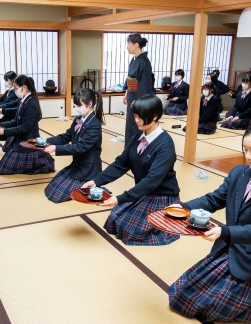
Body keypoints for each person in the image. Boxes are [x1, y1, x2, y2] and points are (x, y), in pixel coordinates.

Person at [168, 120, 251, 323]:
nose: (248, 156)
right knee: (181, 296)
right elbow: (214, 199)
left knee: (204, 308)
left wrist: (224, 232)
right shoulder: (239, 173)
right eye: (245, 149)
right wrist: (182, 207)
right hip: (229, 247)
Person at [82, 95, 180, 246]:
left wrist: (120, 198)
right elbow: (121, 163)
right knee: (115, 219)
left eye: (141, 117)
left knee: (132, 230)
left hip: (161, 195)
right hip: (144, 192)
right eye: (135, 116)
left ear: (155, 116)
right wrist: (96, 181)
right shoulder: (137, 137)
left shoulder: (165, 145)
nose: (137, 120)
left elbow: (151, 181)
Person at [43, 88, 104, 203]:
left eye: (79, 105)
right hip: (77, 164)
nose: (76, 108)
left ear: (89, 104)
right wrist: (46, 141)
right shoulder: (78, 119)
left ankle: (94, 187)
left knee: (58, 195)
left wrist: (56, 148)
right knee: (51, 189)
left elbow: (81, 147)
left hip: (88, 169)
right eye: (76, 105)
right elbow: (66, 136)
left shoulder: (94, 124)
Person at [0, 75, 55, 175]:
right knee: (3, 167)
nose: (15, 91)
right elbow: (15, 121)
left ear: (24, 87)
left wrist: (4, 131)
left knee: (4, 169)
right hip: (21, 137)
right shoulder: (24, 99)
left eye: (16, 88)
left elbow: (25, 128)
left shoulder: (31, 103)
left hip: (28, 139)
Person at [123, 33, 154, 145]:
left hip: (138, 99)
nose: (127, 46)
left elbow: (145, 84)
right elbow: (131, 79)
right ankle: (129, 148)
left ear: (136, 45)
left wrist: (139, 101)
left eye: (128, 44)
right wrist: (127, 93)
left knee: (137, 124)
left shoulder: (144, 62)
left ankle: (136, 148)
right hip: (132, 96)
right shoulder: (134, 60)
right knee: (130, 124)